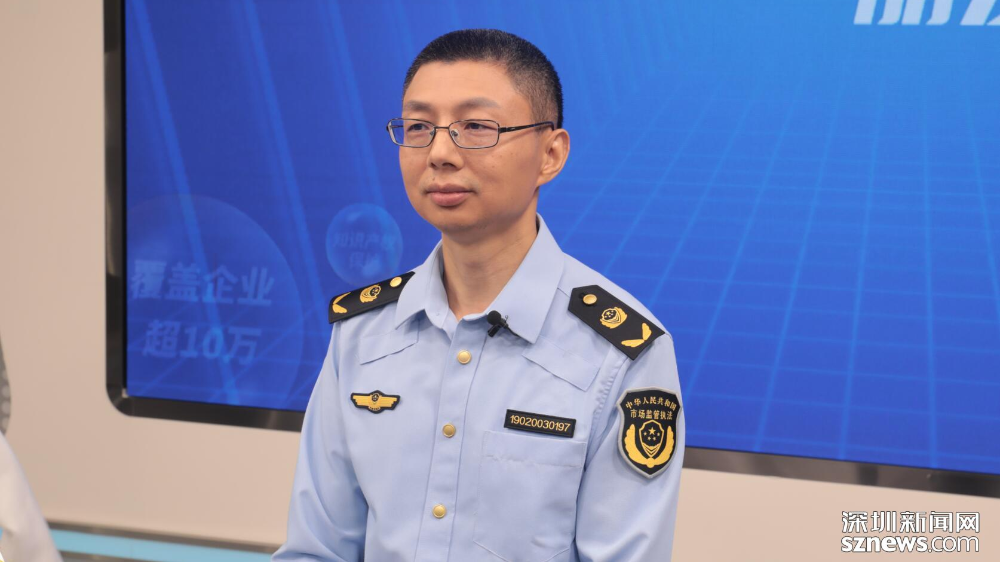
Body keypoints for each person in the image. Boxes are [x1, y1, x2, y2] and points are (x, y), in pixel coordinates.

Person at [274, 29, 684, 562]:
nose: (440, 153)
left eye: (475, 127)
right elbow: (317, 549)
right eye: (419, 127)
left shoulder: (619, 353)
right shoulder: (363, 333)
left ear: (550, 154)